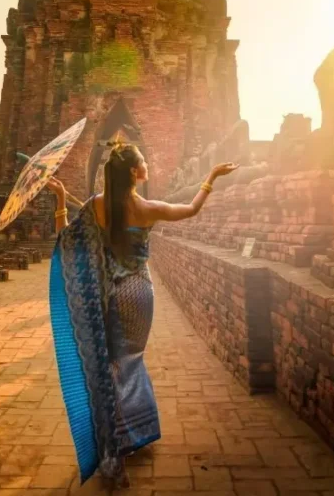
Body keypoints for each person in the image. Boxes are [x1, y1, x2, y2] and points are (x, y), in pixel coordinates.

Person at [46, 140, 238, 488]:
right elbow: (191, 209)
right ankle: (133, 432)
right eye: (144, 161)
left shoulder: (95, 207)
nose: (147, 164)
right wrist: (211, 177)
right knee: (130, 360)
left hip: (106, 296)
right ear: (135, 172)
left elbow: (65, 242)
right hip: (138, 293)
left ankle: (114, 435)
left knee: (108, 363)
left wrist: (60, 201)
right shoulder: (148, 207)